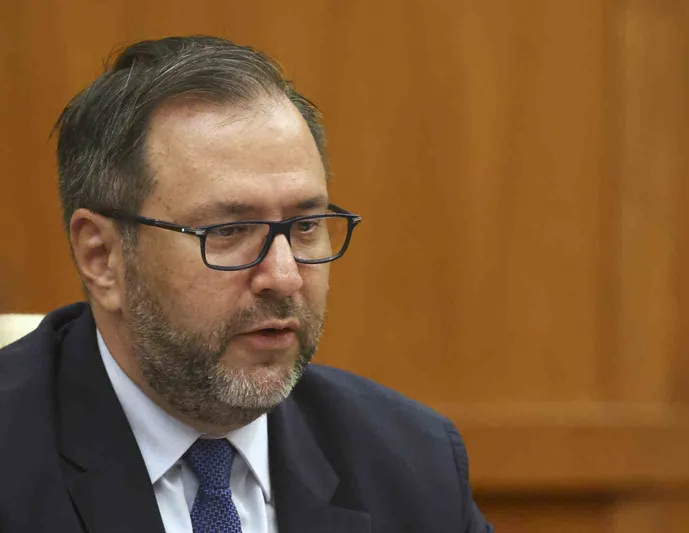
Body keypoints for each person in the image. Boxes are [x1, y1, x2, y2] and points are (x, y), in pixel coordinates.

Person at [0, 36, 492, 533]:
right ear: (102, 257)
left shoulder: (410, 463)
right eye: (229, 231)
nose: (284, 276)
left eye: (305, 225)